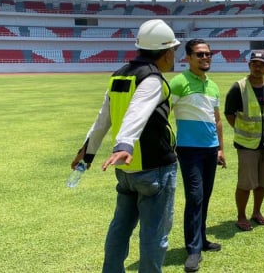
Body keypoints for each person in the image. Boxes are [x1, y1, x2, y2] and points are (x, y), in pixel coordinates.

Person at [70, 19, 181, 273]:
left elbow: (103, 118)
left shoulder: (120, 74)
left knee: (120, 228)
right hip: (154, 169)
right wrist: (125, 145)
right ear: (165, 53)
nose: (174, 54)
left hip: (127, 173)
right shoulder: (152, 78)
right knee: (154, 236)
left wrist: (87, 152)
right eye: (173, 49)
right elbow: (137, 112)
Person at [169, 39, 226, 272]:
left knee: (205, 196)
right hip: (189, 149)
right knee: (195, 197)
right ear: (188, 58)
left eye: (208, 54)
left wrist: (221, 148)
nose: (205, 58)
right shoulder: (179, 82)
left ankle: (201, 240)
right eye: (200, 54)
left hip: (211, 149)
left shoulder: (212, 85)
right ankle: (193, 250)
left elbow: (218, 120)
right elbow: (163, 113)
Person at [224, 50, 264, 232]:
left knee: (263, 181)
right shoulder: (238, 87)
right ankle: (241, 215)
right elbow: (229, 114)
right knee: (245, 183)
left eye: (261, 64)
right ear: (249, 66)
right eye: (254, 64)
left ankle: (256, 212)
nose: (258, 67)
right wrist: (244, 130)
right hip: (247, 144)